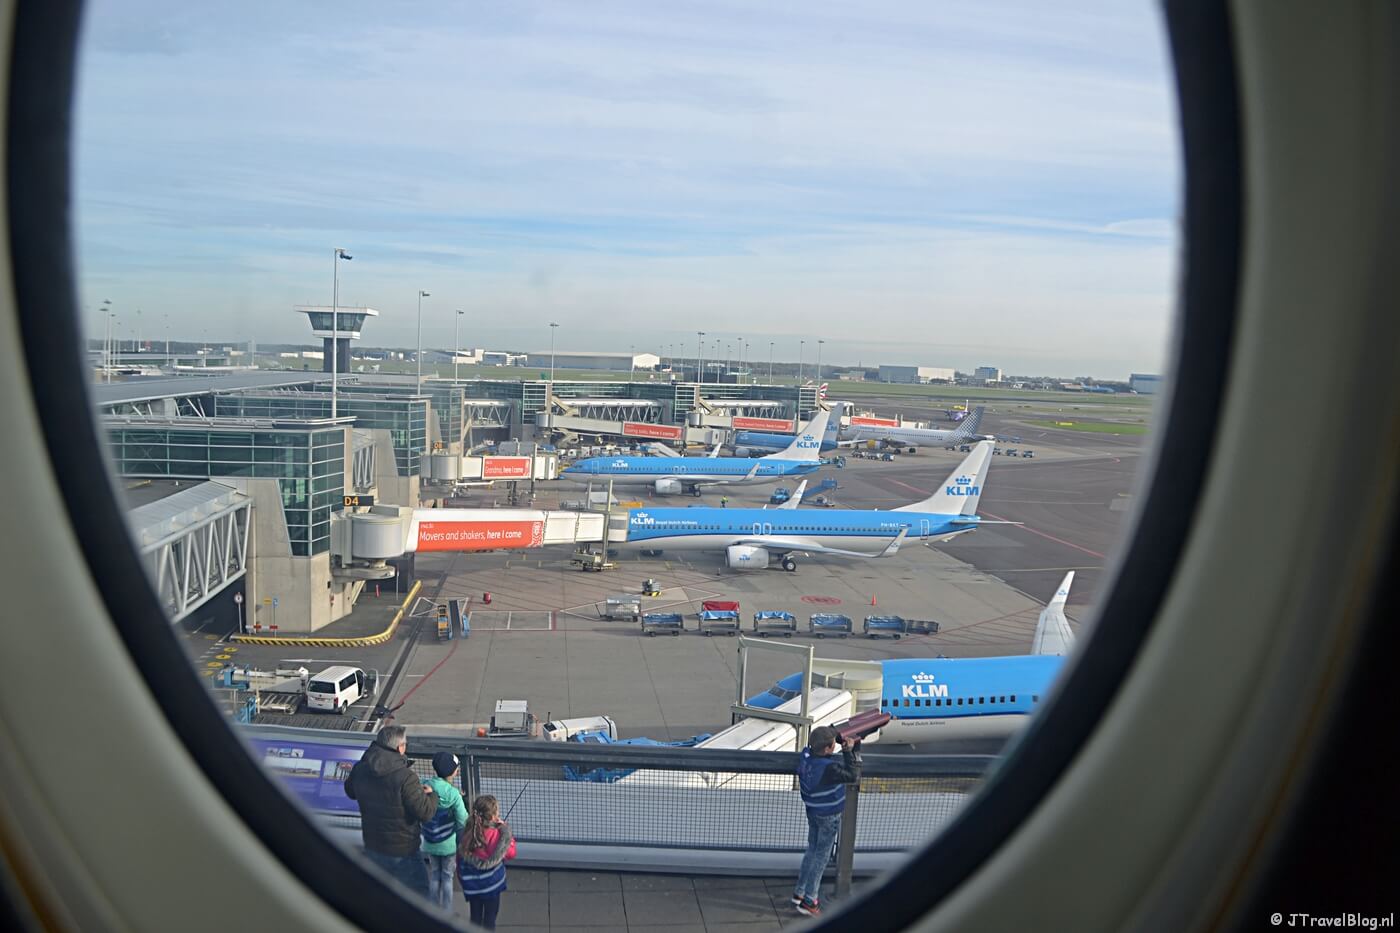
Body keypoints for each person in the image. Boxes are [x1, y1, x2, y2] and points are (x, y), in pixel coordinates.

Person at [344, 724, 438, 899]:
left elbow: (350, 791)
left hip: (373, 846)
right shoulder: (406, 777)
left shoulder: (360, 769)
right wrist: (433, 796)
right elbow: (425, 812)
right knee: (420, 898)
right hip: (404, 851)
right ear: (400, 748)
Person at [791, 725, 860, 918]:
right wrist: (848, 751)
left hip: (813, 811)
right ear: (829, 749)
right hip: (829, 815)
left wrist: (828, 739)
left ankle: (800, 891)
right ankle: (810, 900)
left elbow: (811, 749)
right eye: (833, 746)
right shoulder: (829, 768)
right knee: (821, 857)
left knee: (812, 849)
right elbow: (852, 775)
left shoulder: (806, 758)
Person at [456, 794, 516, 930]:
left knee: (475, 917)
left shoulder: (466, 834)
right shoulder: (496, 835)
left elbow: (459, 861)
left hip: (472, 886)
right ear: (494, 816)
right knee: (490, 918)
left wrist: (462, 880)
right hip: (491, 886)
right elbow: (511, 853)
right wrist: (506, 833)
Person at [421, 752, 468, 912]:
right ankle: (446, 912)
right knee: (447, 877)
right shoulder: (453, 794)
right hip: (448, 844)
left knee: (434, 874)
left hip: (430, 840)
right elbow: (463, 819)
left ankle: (433, 908)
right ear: (454, 772)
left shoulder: (426, 784)